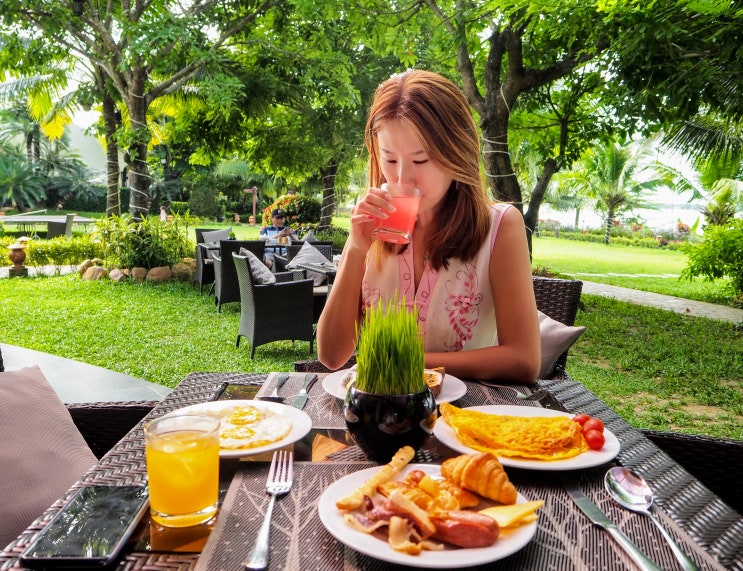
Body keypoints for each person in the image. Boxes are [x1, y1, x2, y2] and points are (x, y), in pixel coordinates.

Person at [317, 70, 541, 383]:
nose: (401, 178)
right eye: (390, 160)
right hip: (380, 416)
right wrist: (356, 249)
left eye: (420, 161)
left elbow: (524, 360)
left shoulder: (500, 227)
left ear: (457, 153)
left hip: (464, 418)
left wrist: (405, 360)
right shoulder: (370, 225)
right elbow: (331, 355)